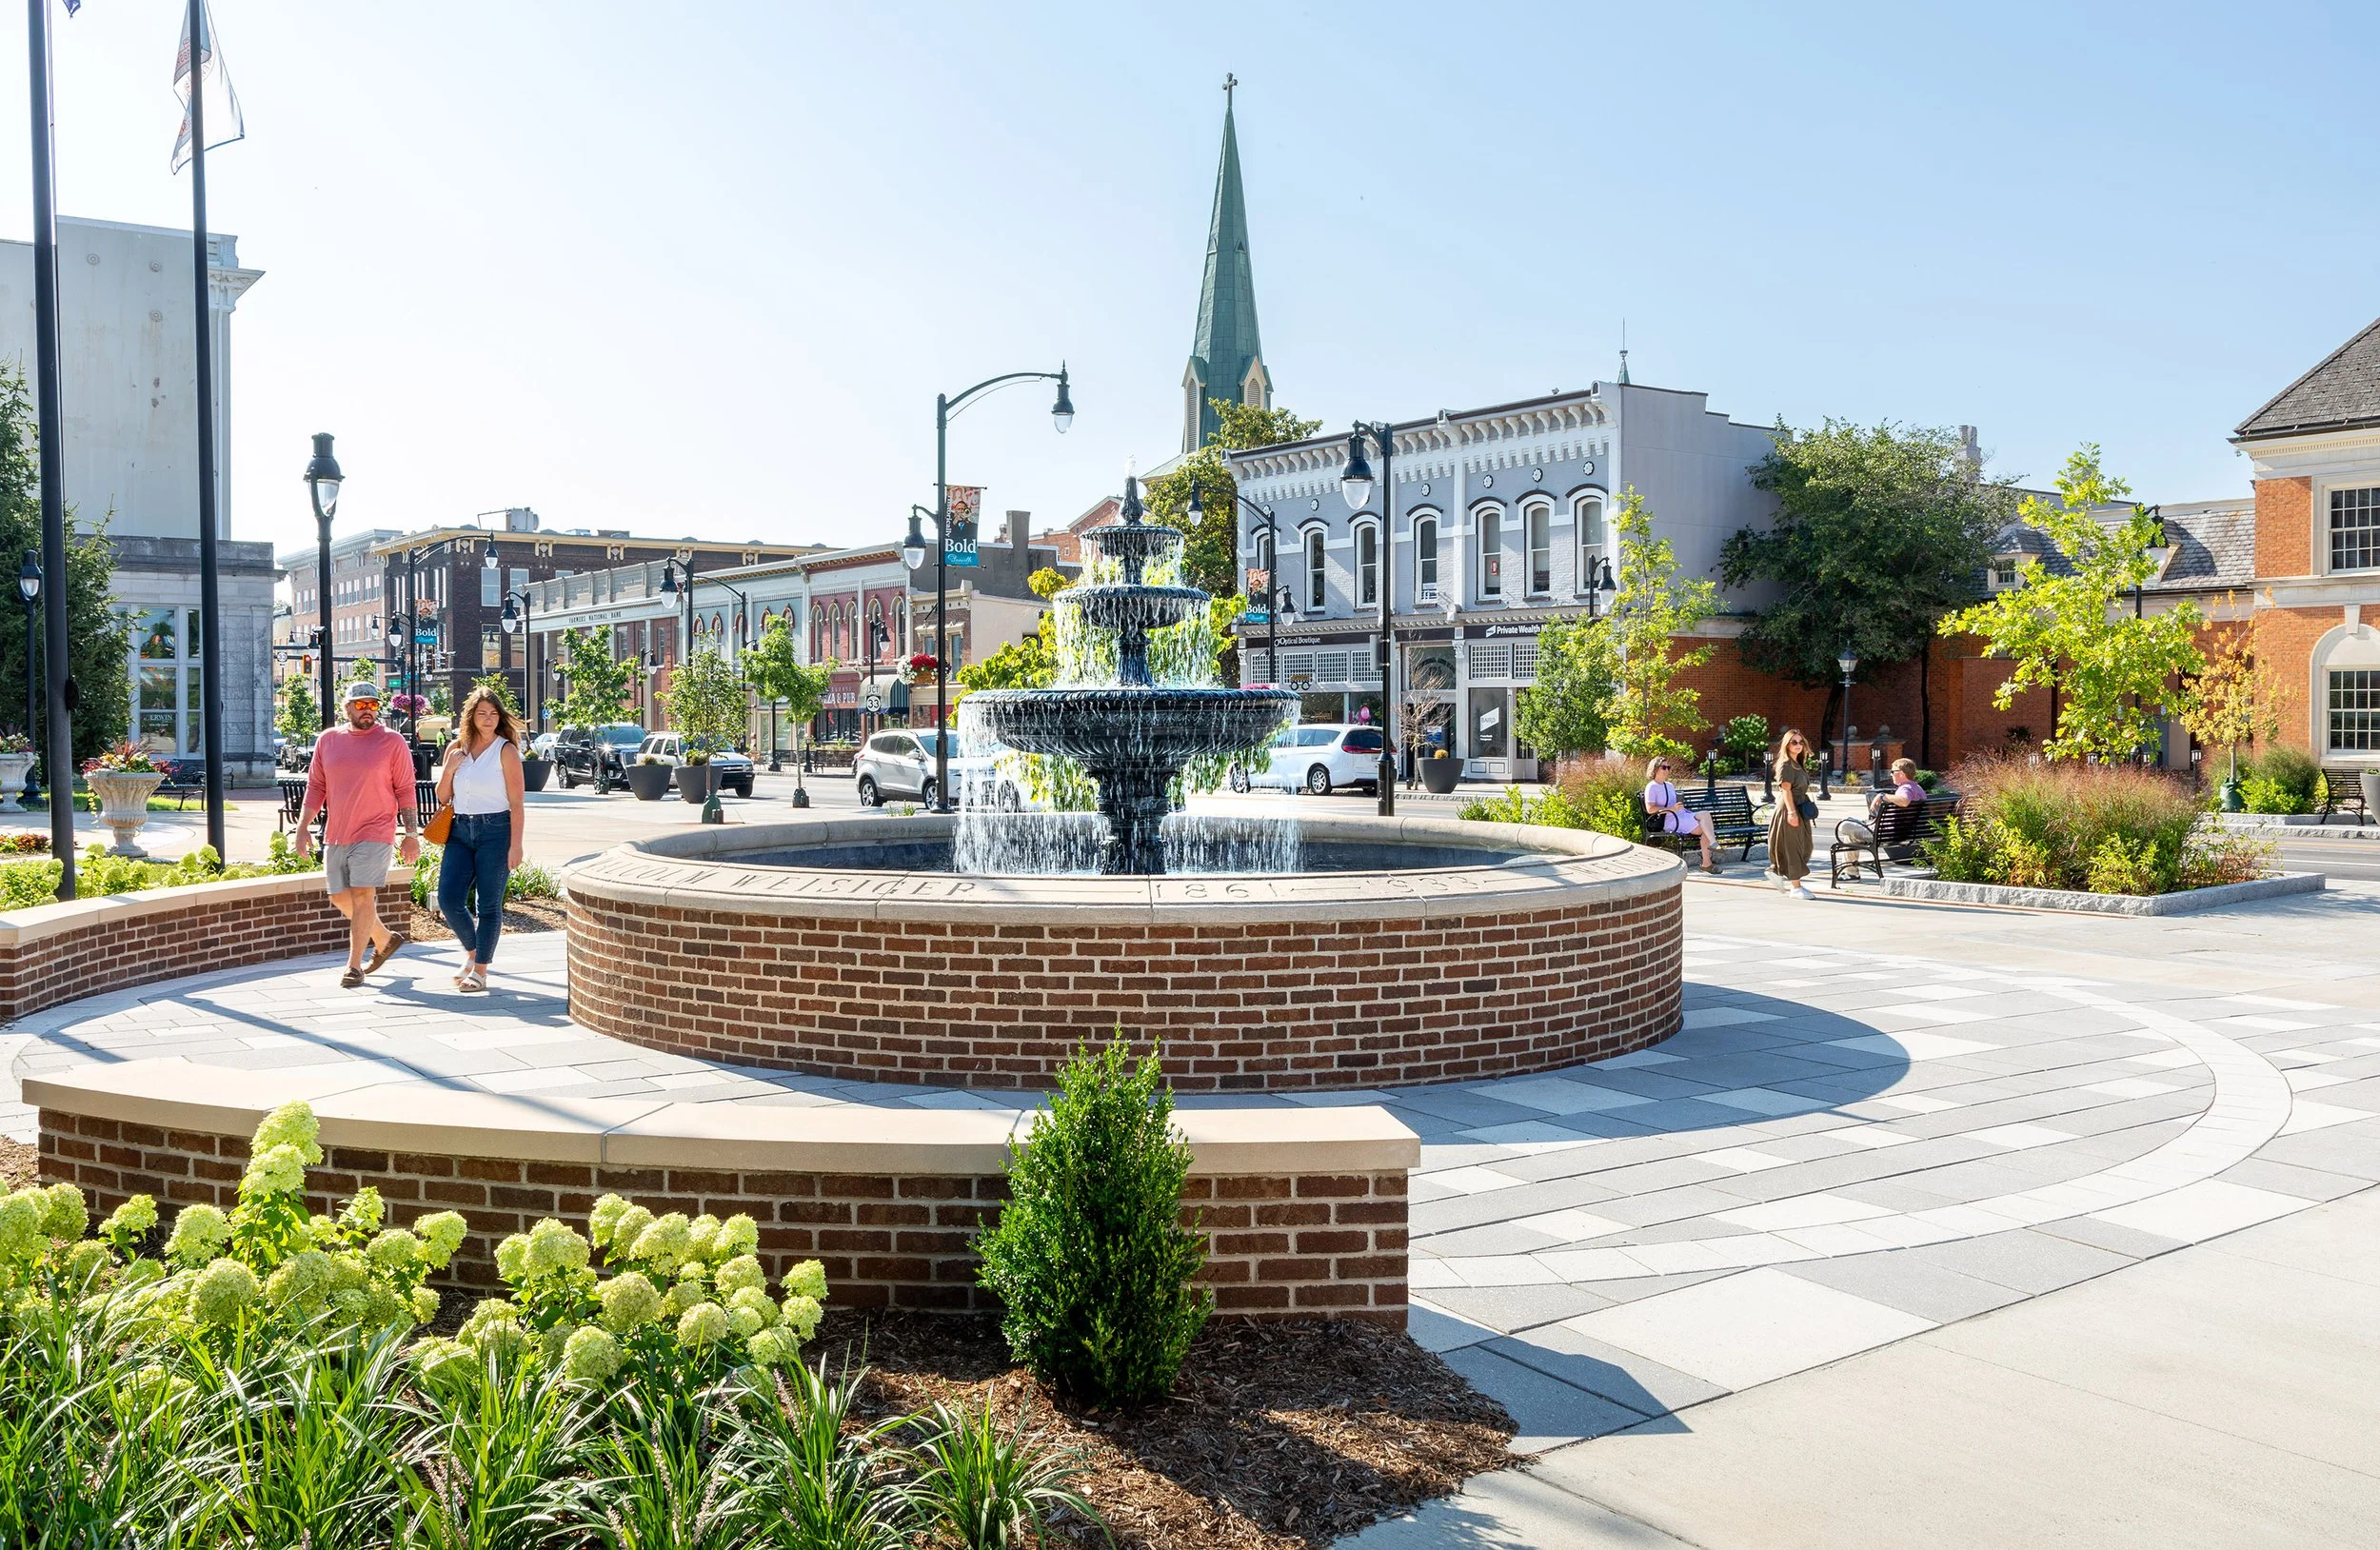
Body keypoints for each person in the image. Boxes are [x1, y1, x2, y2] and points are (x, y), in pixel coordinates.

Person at [295, 682, 421, 986]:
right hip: (338, 831)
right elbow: (316, 787)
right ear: (347, 707)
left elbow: (405, 789)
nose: (368, 711)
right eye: (361, 705)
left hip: (376, 830)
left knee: (364, 893)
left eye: (373, 705)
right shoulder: (328, 740)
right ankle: (384, 938)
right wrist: (302, 828)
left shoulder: (392, 742)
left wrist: (411, 833)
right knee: (339, 896)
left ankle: (354, 966)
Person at [434, 686, 527, 994]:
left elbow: (517, 804)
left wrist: (516, 844)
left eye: (493, 714)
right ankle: (474, 954)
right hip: (460, 831)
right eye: (481, 713)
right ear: (471, 716)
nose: (488, 719)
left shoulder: (506, 751)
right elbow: (443, 796)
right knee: (448, 897)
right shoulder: (456, 748)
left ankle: (481, 971)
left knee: (488, 905)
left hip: (496, 831)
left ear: (499, 717)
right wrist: (449, 768)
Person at [1643, 757, 1721, 874]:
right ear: (1655, 769)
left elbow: (1674, 804)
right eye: (1664, 767)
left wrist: (1679, 806)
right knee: (1706, 827)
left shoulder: (1669, 785)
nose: (1667, 770)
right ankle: (1709, 855)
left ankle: (1708, 858)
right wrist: (1671, 808)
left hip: (1680, 815)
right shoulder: (1651, 786)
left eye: (1668, 767)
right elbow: (1650, 809)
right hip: (1669, 820)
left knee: (1706, 817)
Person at [1767, 727, 1817, 898]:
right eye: (1793, 742)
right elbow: (1786, 790)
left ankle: (1774, 871)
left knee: (1804, 845)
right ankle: (1796, 887)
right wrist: (1791, 812)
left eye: (1800, 742)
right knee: (1793, 847)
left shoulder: (1797, 763)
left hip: (1800, 807)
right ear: (1787, 745)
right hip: (1790, 808)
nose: (1798, 745)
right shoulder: (1786, 764)